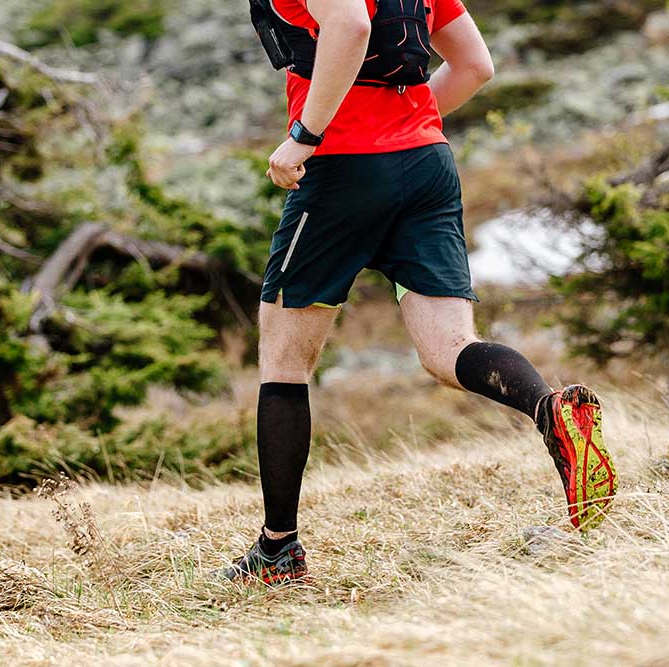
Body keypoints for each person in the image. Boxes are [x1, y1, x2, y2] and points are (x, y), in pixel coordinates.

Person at [219, 0, 618, 585]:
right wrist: (406, 128)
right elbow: (475, 66)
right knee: (450, 350)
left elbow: (351, 24)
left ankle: (278, 550)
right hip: (426, 163)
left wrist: (305, 135)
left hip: (342, 169)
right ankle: (551, 409)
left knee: (284, 361)